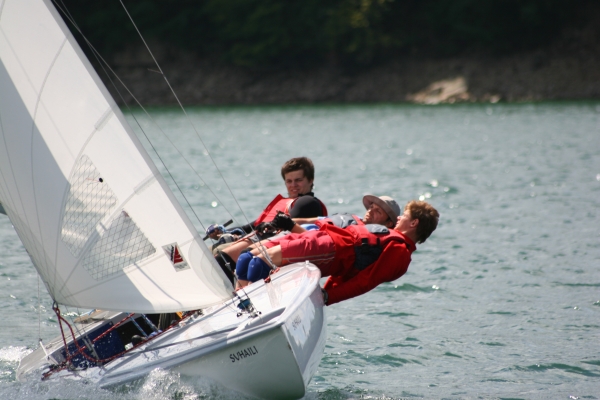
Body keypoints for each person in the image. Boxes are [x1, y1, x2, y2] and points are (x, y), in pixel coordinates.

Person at [236, 200, 439, 306]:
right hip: (324, 238)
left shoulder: (400, 252)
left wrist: (328, 295)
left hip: (331, 249)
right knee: (246, 258)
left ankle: (253, 311)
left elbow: (365, 280)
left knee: (259, 263)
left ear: (414, 223)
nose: (399, 218)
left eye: (405, 216)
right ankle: (239, 304)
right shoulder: (390, 235)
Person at [214, 157, 327, 282]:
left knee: (220, 259)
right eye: (289, 181)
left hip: (271, 245)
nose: (293, 185)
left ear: (310, 180)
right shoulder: (285, 202)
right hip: (257, 238)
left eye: (298, 180)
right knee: (210, 252)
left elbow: (286, 226)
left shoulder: (308, 202)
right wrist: (223, 232)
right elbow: (251, 226)